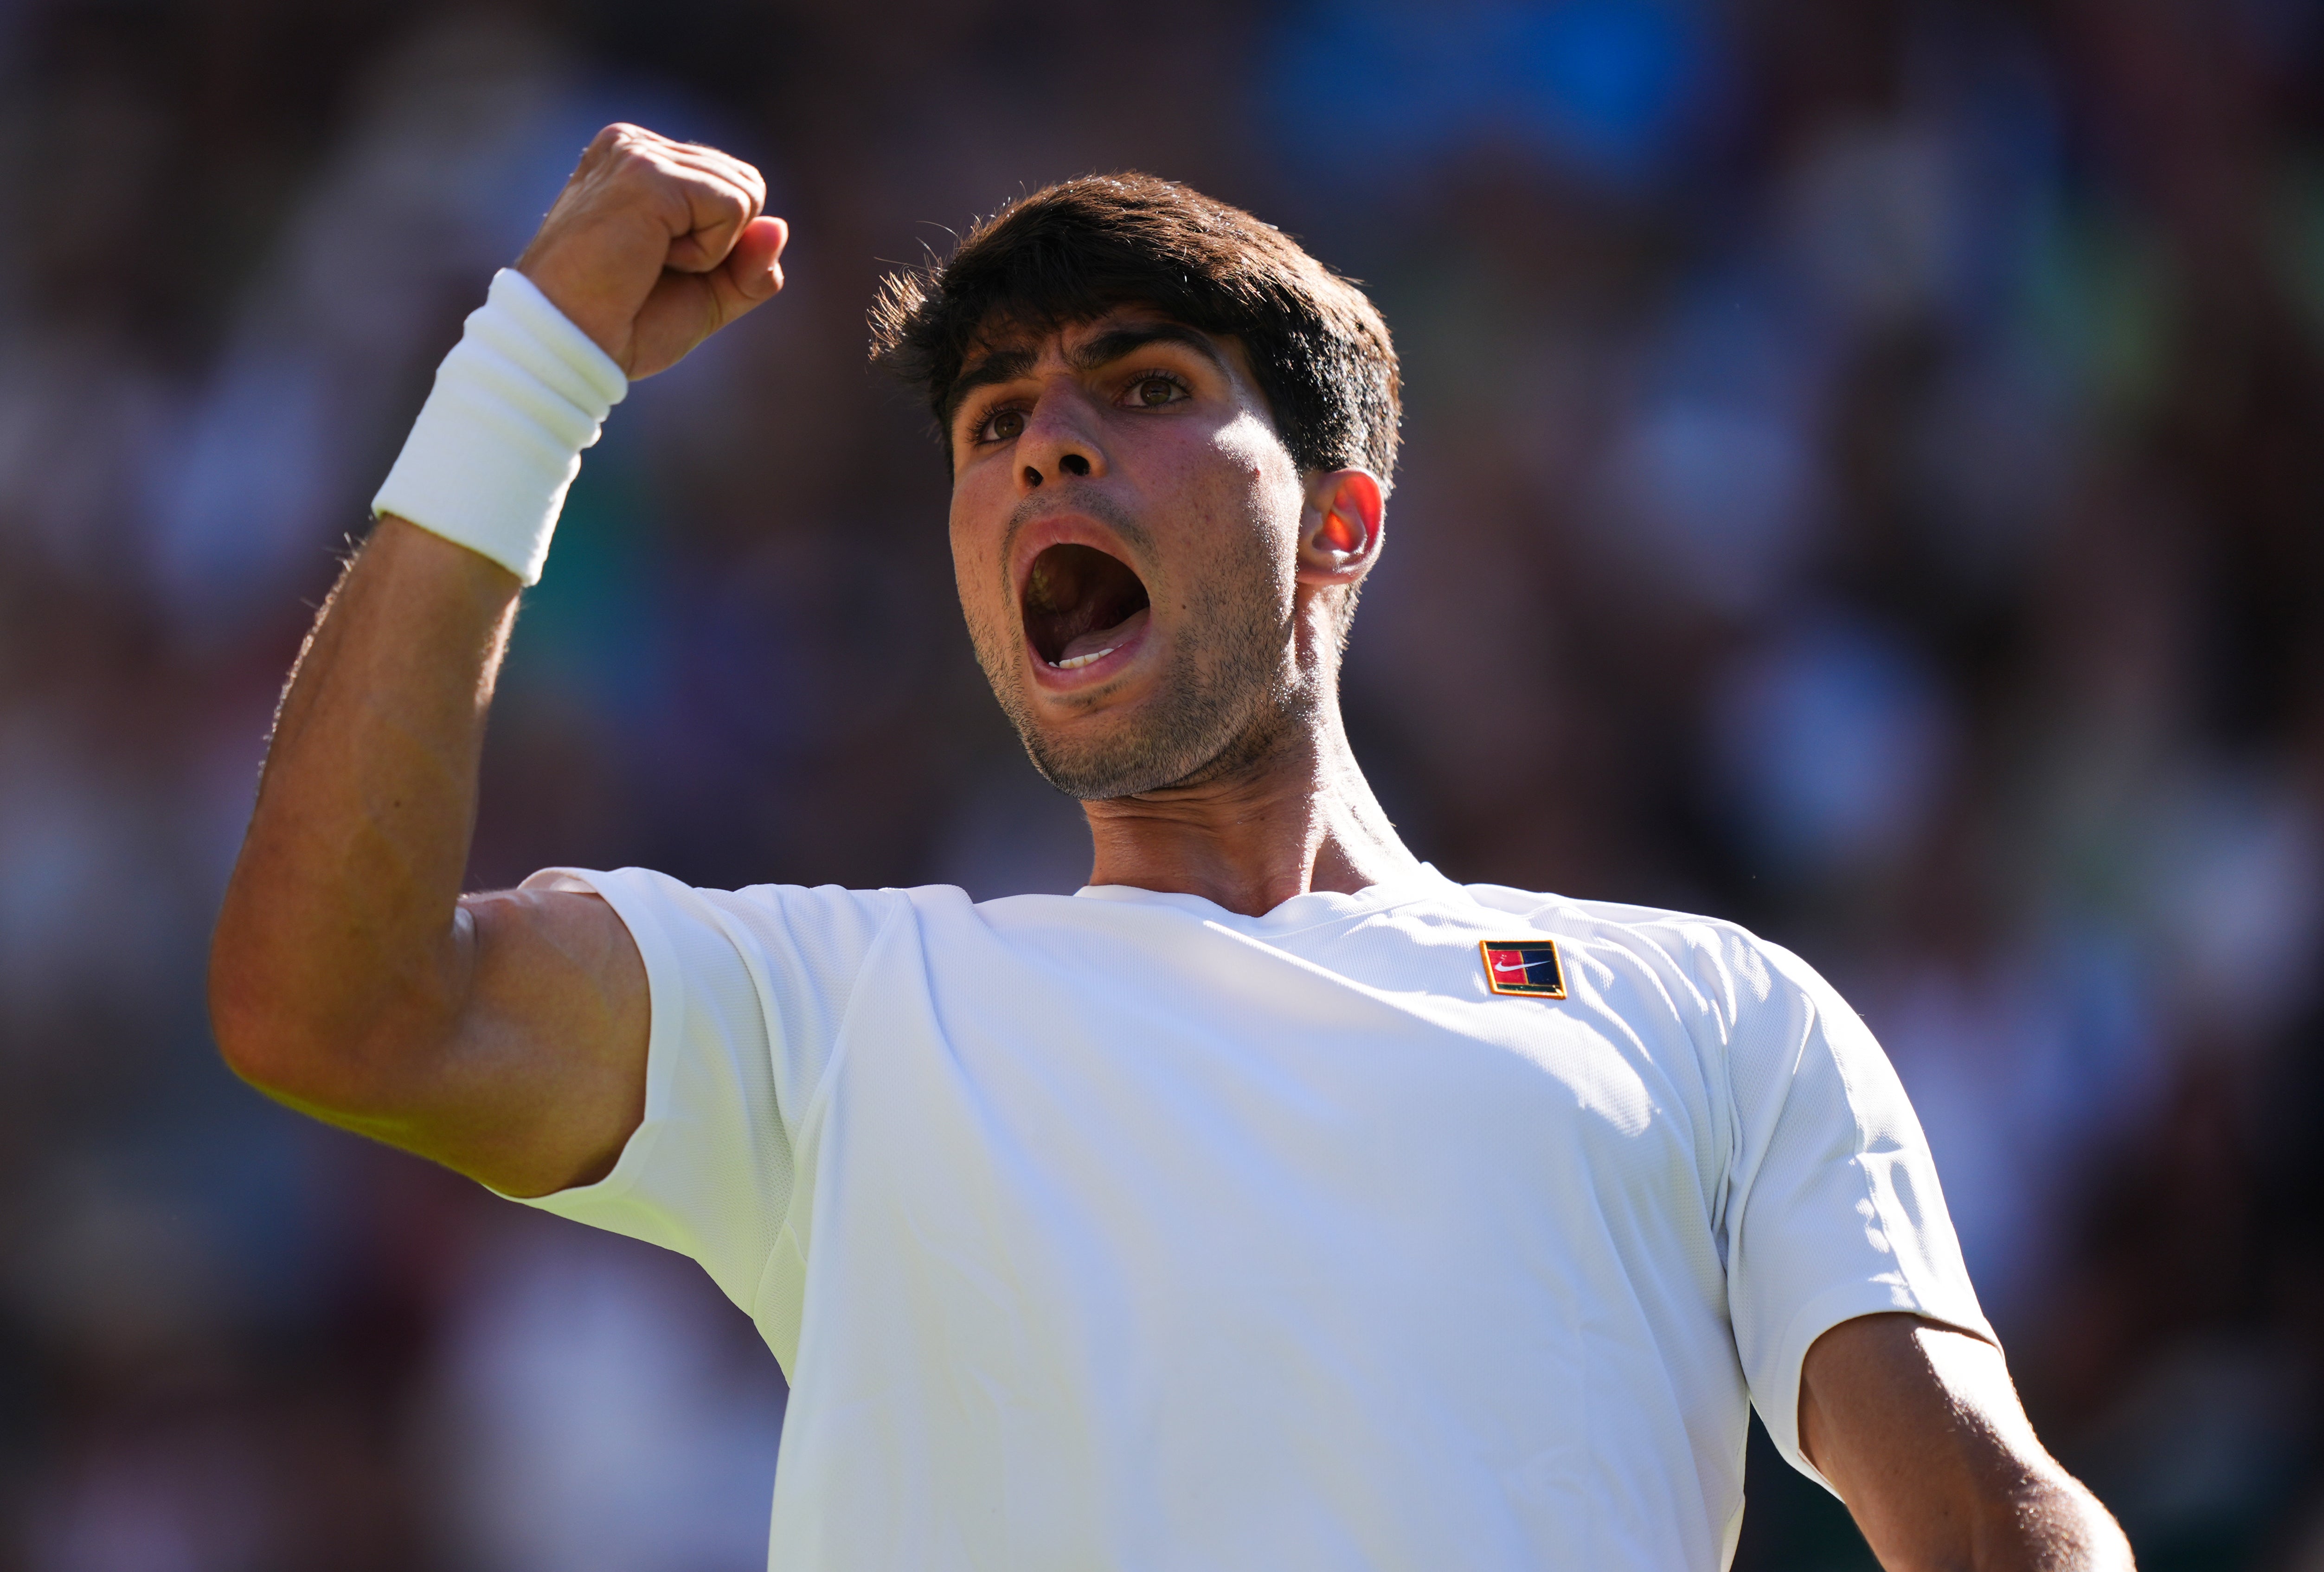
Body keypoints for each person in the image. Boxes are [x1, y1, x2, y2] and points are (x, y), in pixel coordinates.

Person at [208, 125, 2131, 1571]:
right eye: (991, 424)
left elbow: (1986, 1517)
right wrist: (532, 367)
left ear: (1339, 525)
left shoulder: (1710, 1011)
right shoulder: (837, 1011)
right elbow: (335, 1008)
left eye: (1141, 388)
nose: (1044, 446)